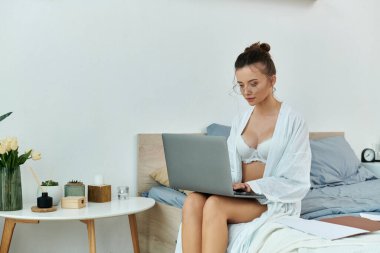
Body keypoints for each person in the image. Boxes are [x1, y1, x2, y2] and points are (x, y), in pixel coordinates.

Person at [178, 42, 312, 253]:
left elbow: (296, 181)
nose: (246, 91)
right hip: (239, 196)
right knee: (193, 201)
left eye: (253, 83)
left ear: (272, 80)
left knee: (214, 205)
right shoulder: (240, 120)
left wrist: (254, 187)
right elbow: (231, 167)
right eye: (240, 85)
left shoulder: (293, 121)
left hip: (270, 199)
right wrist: (215, 183)